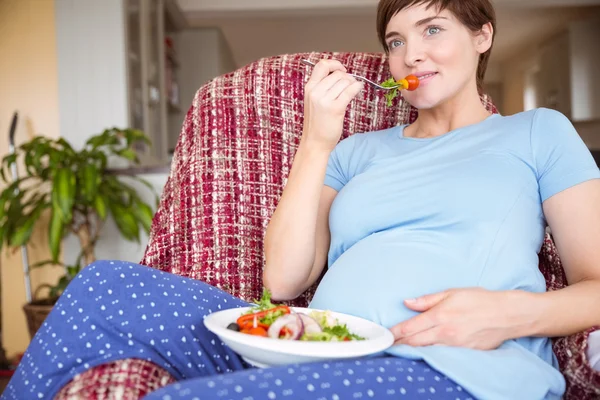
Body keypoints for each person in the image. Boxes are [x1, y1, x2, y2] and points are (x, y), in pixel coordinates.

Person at [3, 0, 600, 399]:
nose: (411, 54)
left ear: (482, 35)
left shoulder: (535, 132)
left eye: (433, 29)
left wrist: (508, 314)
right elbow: (285, 279)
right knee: (105, 285)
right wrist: (318, 140)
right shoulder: (355, 151)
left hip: (445, 366)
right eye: (395, 40)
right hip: (309, 343)